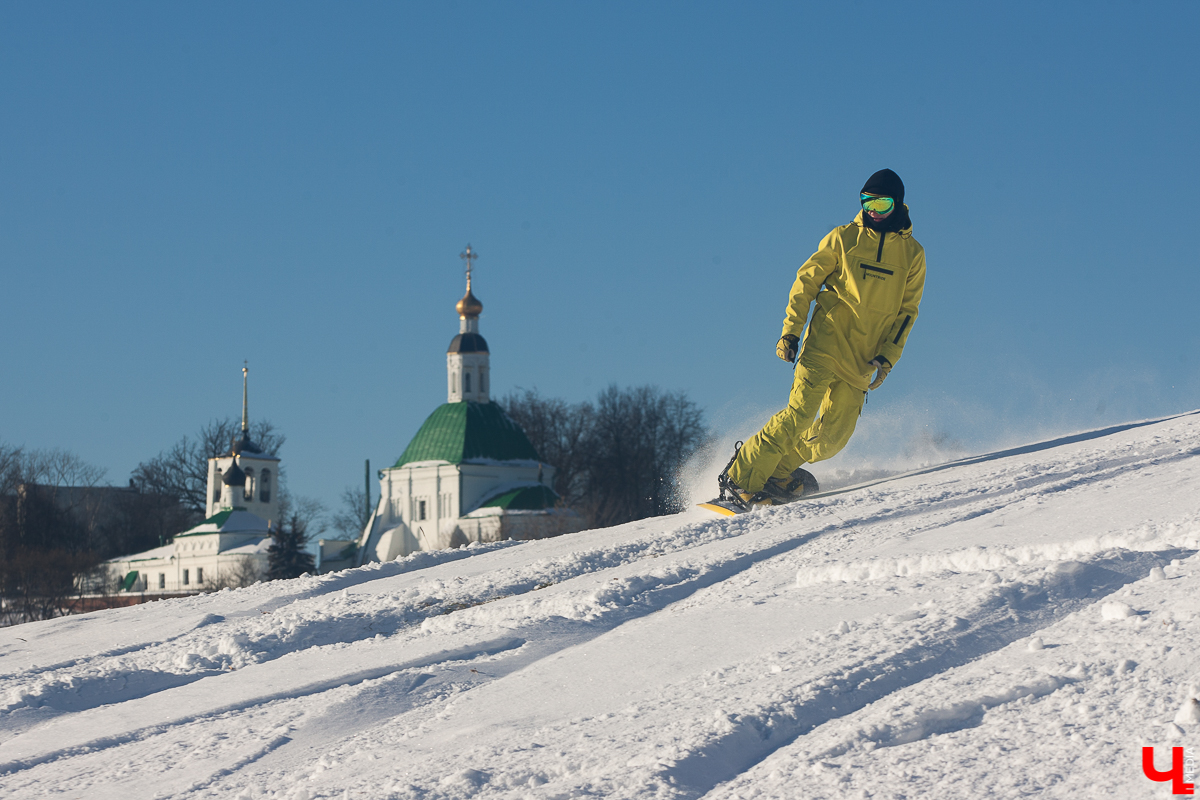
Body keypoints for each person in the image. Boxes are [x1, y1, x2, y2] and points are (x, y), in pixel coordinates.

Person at [719, 168, 926, 508]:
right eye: (868, 202)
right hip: (824, 345)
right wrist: (791, 331)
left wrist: (888, 356)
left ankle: (777, 473)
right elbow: (806, 283)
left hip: (861, 360)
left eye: (883, 204)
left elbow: (907, 313)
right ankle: (740, 477)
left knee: (832, 439)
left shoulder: (913, 255)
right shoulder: (843, 239)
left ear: (898, 204)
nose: (874, 210)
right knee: (799, 416)